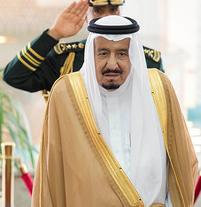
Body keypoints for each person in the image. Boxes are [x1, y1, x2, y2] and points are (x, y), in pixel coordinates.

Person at [31, 15, 197, 206]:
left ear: (133, 55)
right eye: (103, 53)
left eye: (121, 54)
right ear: (91, 54)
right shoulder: (66, 94)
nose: (112, 64)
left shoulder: (159, 88)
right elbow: (50, 178)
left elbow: (183, 163)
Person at [3, 0, 164, 98]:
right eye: (98, 11)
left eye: (113, 10)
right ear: (86, 17)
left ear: (121, 13)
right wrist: (54, 34)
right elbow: (14, 76)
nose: (106, 17)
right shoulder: (65, 59)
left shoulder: (147, 60)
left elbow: (160, 106)